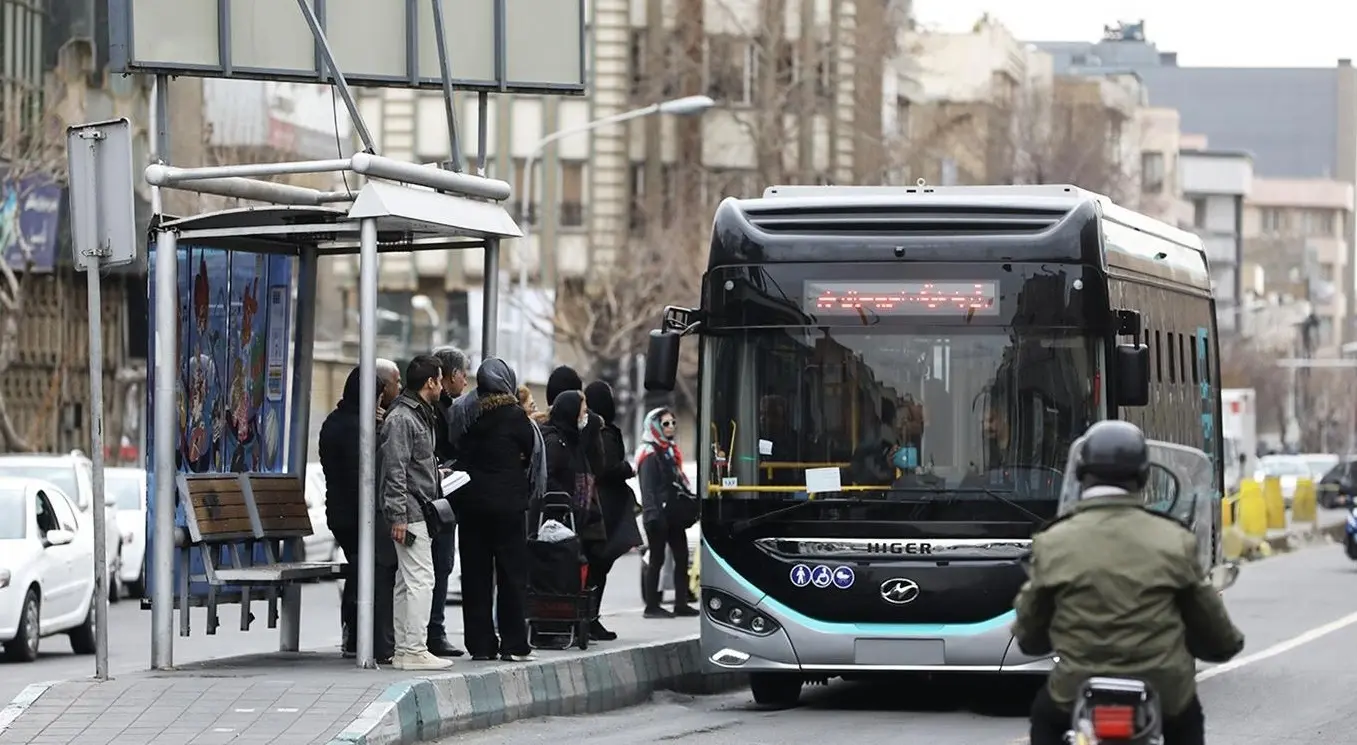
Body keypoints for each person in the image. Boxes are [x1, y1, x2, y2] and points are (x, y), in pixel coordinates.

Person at [1013, 420, 1245, 745]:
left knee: (1044, 716)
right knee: (1188, 720)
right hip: (1164, 691)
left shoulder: (1053, 542)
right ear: (1143, 475)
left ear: (1082, 474)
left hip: (1076, 688)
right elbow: (1215, 632)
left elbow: (1029, 634)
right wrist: (1219, 644)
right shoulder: (1175, 540)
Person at [454, 357, 538, 661]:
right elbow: (530, 453)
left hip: (471, 506)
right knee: (511, 575)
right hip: (507, 507)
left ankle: (481, 645)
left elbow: (456, 449)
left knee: (475, 577)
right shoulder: (516, 416)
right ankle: (513, 642)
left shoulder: (465, 412)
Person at [320, 360, 401, 664]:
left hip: (340, 514)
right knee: (371, 569)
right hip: (360, 516)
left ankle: (353, 635)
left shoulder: (334, 420)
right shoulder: (361, 429)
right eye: (379, 398)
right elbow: (368, 474)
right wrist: (378, 428)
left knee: (358, 569)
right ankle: (360, 637)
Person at [379, 354, 452, 671]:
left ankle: (406, 649)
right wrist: (397, 516)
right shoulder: (403, 419)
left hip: (418, 509)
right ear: (430, 383)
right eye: (439, 380)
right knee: (422, 580)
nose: (443, 386)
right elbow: (394, 470)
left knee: (407, 582)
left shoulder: (421, 414)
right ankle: (414, 648)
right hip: (411, 512)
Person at [583, 381, 643, 641]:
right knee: (599, 564)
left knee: (597, 565)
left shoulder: (592, 429)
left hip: (601, 504)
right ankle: (590, 618)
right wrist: (628, 469)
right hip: (605, 508)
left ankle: (589, 617)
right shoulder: (604, 433)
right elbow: (606, 468)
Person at [427, 346, 471, 659]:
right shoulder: (443, 411)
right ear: (450, 376)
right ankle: (434, 631)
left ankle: (433, 630)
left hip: (437, 499)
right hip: (436, 499)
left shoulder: (440, 408)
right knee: (439, 566)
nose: (465, 382)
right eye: (463, 375)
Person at [636, 407, 698, 619]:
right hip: (657, 517)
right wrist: (653, 515)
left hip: (673, 516)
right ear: (654, 426)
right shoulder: (649, 454)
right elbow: (648, 489)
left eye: (673, 423)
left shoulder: (669, 451)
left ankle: (681, 602)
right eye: (665, 424)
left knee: (681, 557)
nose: (671, 427)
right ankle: (651, 606)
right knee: (656, 559)